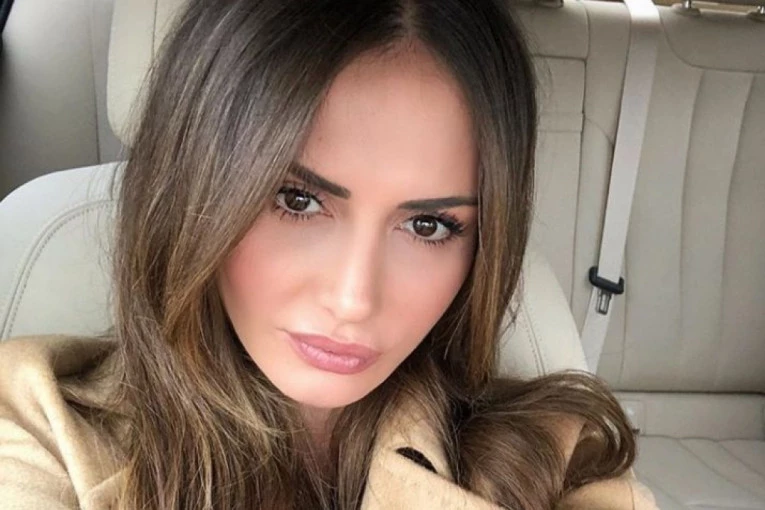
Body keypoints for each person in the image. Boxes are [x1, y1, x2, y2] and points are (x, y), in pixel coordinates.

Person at [0, 0, 659, 508]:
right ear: (197, 187)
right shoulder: (37, 426)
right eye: (296, 200)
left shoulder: (555, 458)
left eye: (428, 225)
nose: (353, 299)